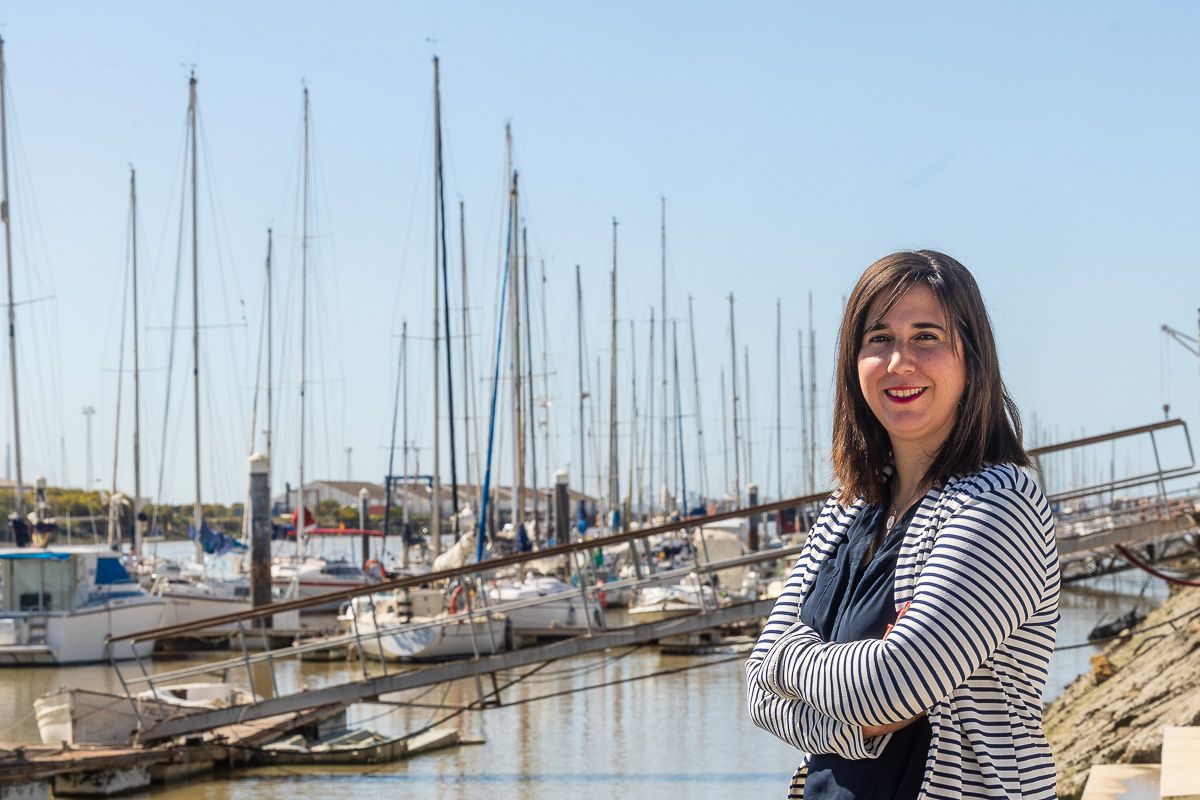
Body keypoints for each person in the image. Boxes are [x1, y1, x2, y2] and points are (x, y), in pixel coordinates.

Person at [746, 251, 1060, 799]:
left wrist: (789, 658)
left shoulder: (999, 504)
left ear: (972, 357)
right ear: (854, 361)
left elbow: (893, 685)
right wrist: (861, 728)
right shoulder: (849, 508)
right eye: (879, 339)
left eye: (926, 336)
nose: (899, 362)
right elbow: (757, 690)